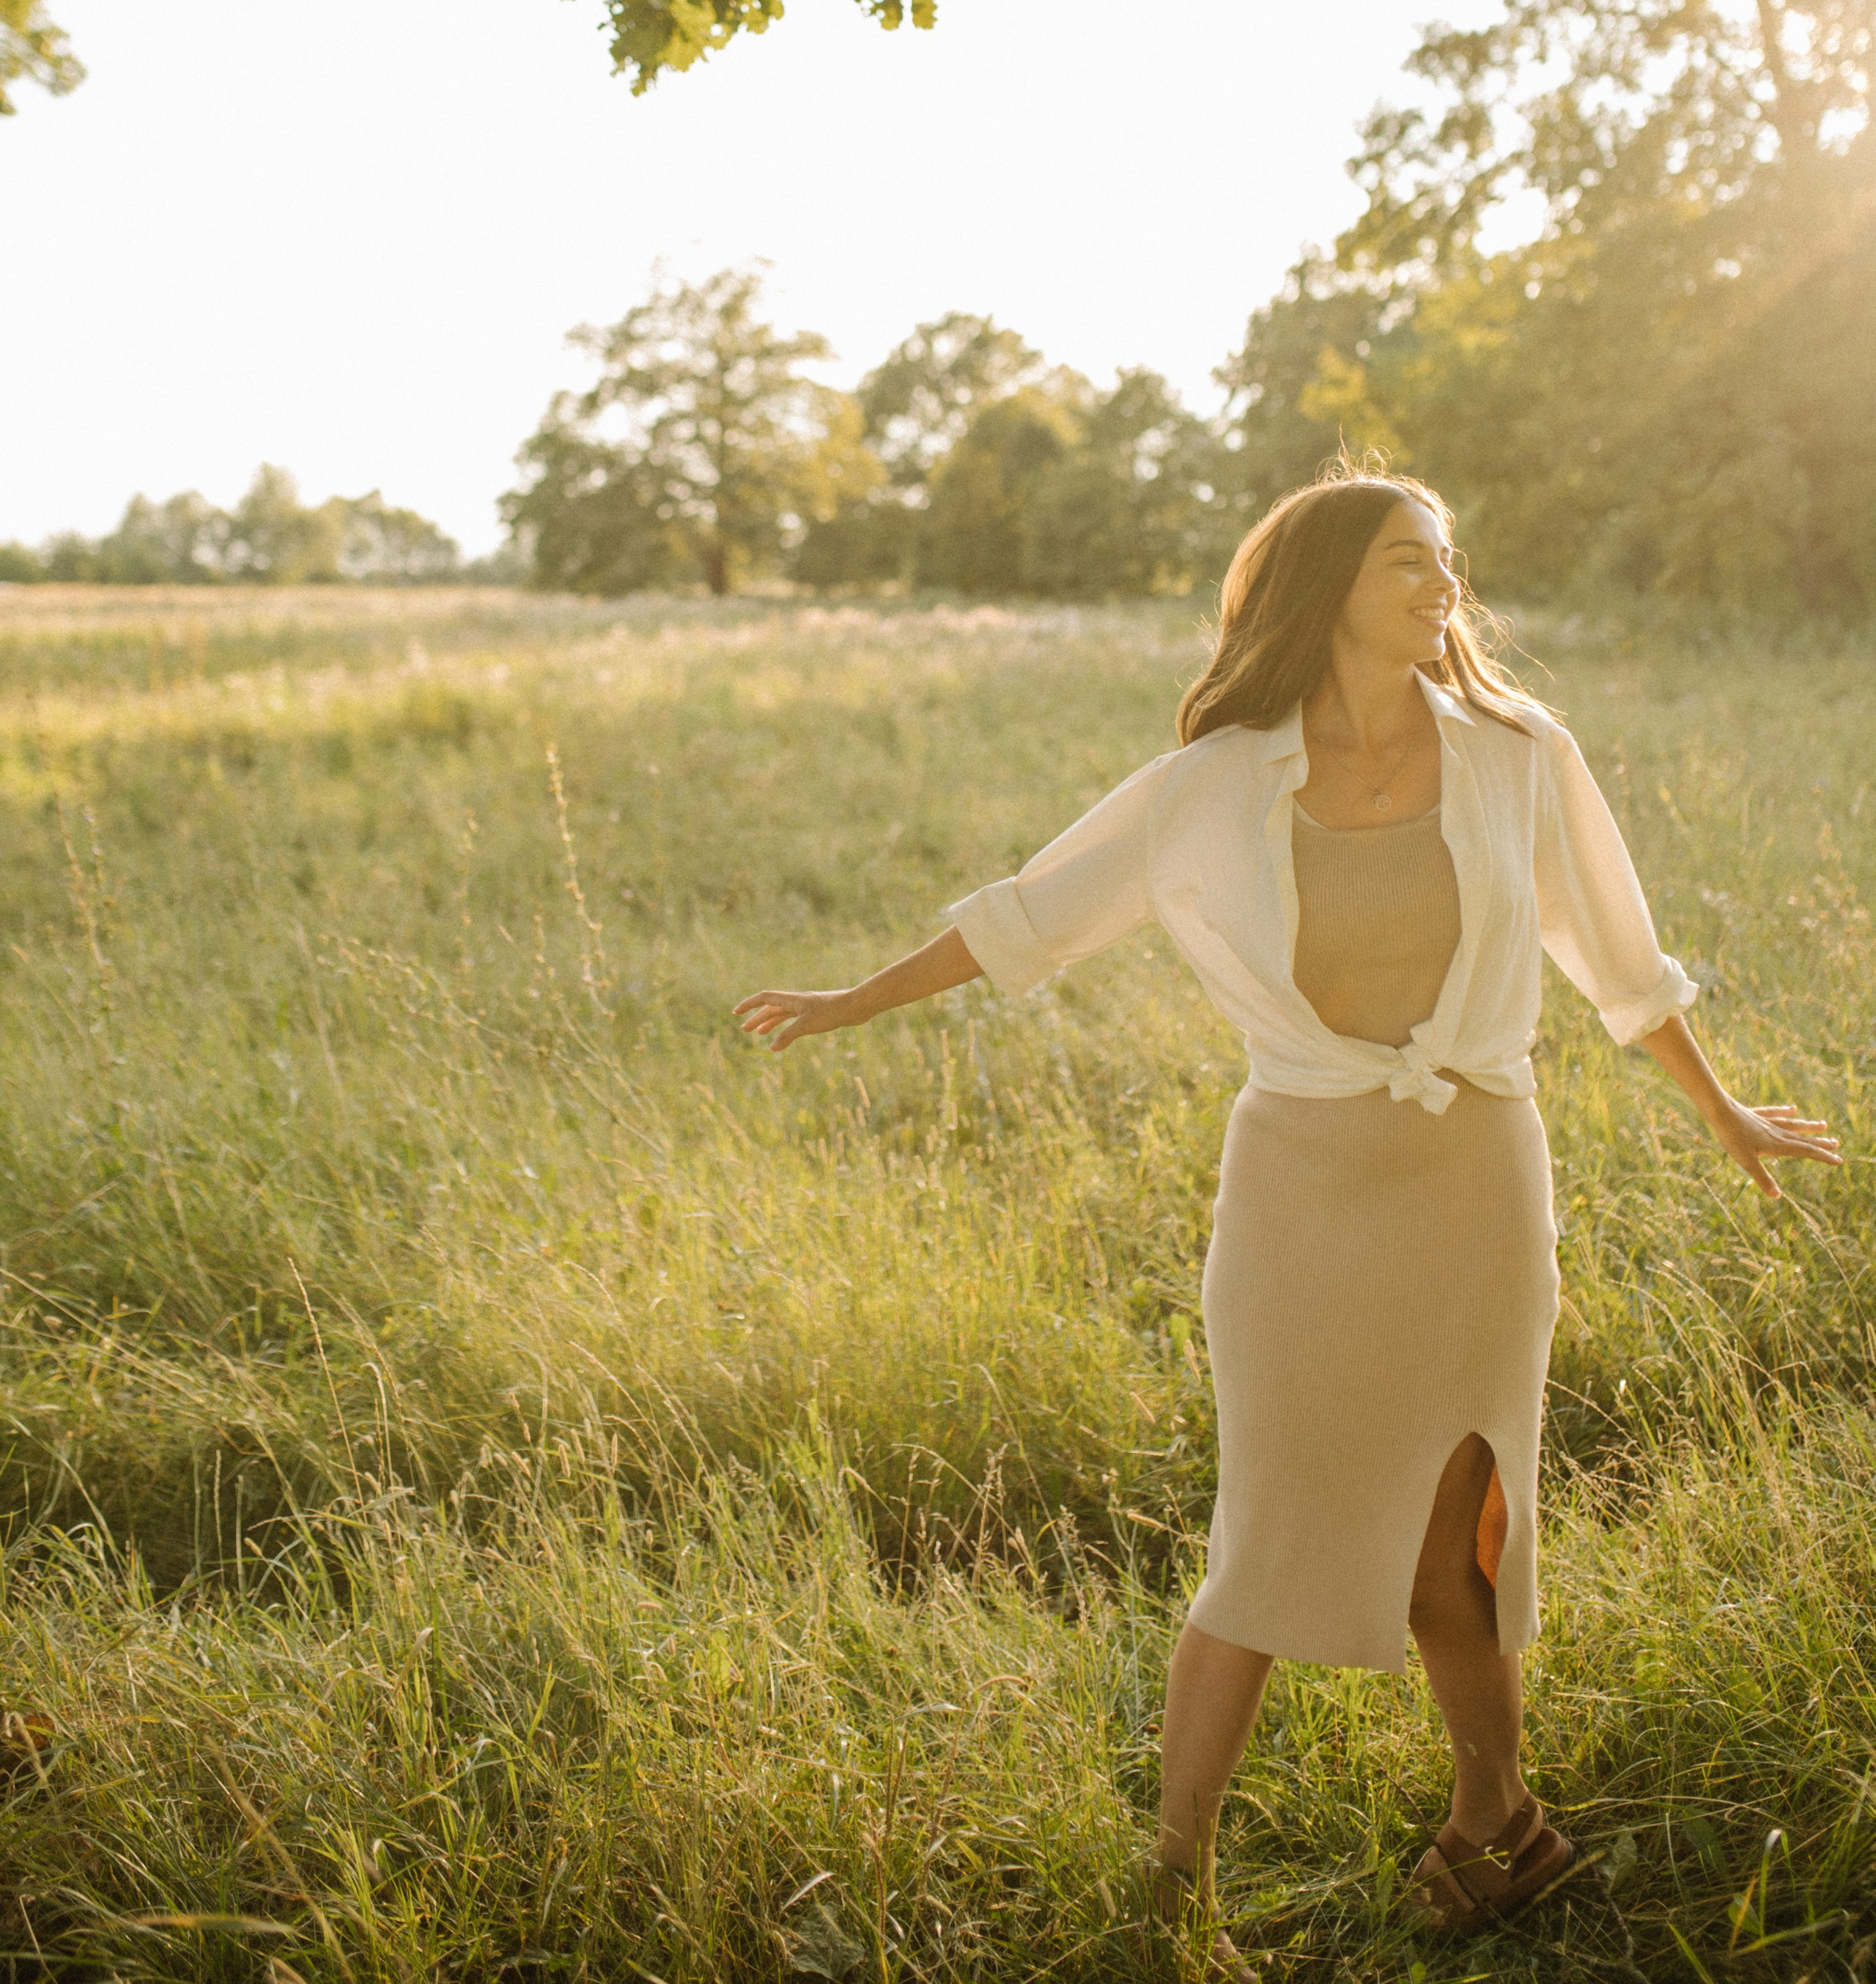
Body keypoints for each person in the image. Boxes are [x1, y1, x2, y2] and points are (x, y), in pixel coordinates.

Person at [734, 470, 1840, 1956]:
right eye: (1405, 562)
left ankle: (1489, 1816)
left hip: (1474, 1180)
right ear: (1326, 588)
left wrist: (1718, 1110)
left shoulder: (1517, 753)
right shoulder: (1210, 782)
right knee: (1262, 1538)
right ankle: (1172, 1879)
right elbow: (1028, 910)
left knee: (1460, 1535)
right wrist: (850, 999)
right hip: (1296, 1189)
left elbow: (1616, 957)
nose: (1440, 585)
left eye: (1446, 561)